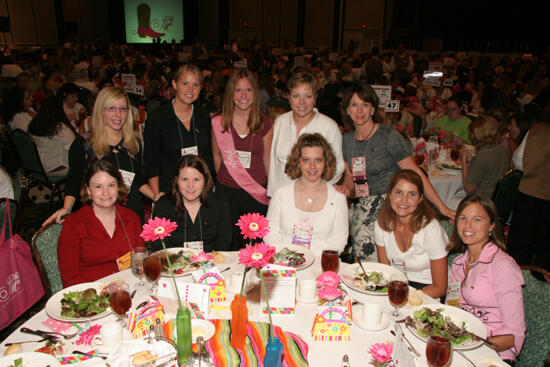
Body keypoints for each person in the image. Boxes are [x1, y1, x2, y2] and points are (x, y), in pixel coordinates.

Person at [341, 83, 453, 261]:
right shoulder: (347, 140)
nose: (359, 110)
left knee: (385, 266)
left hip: (391, 209)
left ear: (372, 109)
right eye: (354, 105)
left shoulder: (388, 137)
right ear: (347, 110)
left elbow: (415, 173)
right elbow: (349, 174)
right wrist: (345, 188)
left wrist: (441, 207)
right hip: (362, 210)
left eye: (365, 104)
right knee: (363, 266)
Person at [43, 87, 155, 225]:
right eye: (111, 108)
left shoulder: (134, 142)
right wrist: (67, 207)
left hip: (131, 213)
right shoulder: (84, 144)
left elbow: (137, 178)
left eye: (123, 109)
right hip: (98, 214)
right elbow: (74, 179)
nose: (118, 115)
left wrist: (155, 197)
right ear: (100, 111)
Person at [448, 194, 525, 364]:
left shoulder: (502, 266)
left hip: (492, 354)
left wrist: (472, 347)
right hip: (460, 345)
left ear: (491, 226)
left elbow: (514, 334)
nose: (467, 225)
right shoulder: (458, 263)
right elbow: (452, 308)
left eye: (477, 219)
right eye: (463, 218)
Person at [211, 68, 273, 250]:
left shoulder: (265, 123)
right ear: (231, 93)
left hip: (256, 195)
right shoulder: (219, 122)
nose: (243, 95)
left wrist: (269, 192)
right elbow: (216, 155)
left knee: (254, 248)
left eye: (248, 90)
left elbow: (267, 160)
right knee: (228, 243)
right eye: (238, 90)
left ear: (255, 93)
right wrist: (227, 178)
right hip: (226, 194)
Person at [58, 159, 145, 287]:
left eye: (111, 185)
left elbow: (140, 259)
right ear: (88, 190)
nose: (106, 192)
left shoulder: (131, 218)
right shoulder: (74, 224)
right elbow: (70, 277)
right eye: (98, 187)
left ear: (119, 187)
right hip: (92, 294)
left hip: (130, 287)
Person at [265, 133, 348, 258]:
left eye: (318, 160)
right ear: (298, 162)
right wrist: (287, 259)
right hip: (285, 265)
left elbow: (339, 240)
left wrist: (318, 263)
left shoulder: (338, 198)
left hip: (321, 267)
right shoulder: (281, 194)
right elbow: (270, 234)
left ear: (326, 162)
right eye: (306, 160)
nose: (312, 166)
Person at [268, 70, 344, 197]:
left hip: (315, 198)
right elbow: (273, 163)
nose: (301, 102)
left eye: (307, 96)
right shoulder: (280, 122)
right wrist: (272, 195)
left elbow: (339, 165)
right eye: (296, 96)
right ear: (288, 97)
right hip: (283, 197)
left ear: (315, 98)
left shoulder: (329, 127)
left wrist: (320, 186)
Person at [375, 170, 448, 298]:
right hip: (396, 287)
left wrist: (405, 296)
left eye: (412, 194)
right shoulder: (382, 222)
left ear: (420, 199)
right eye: (398, 192)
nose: (404, 200)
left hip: (427, 291)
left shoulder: (431, 229)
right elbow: (385, 271)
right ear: (390, 195)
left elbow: (440, 288)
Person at [144, 64, 214, 197]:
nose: (190, 89)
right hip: (169, 192)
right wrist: (157, 196)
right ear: (174, 84)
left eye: (195, 85)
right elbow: (151, 162)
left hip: (201, 192)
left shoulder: (204, 116)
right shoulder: (158, 118)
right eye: (185, 83)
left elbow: (210, 156)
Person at [151, 155, 232, 252]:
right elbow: (159, 248)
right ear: (176, 180)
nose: (190, 186)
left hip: (212, 264)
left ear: (205, 180)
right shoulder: (163, 206)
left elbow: (224, 245)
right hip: (175, 264)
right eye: (184, 179)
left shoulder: (219, 204)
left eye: (196, 179)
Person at [508, 121, 550, 270]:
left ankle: (515, 275)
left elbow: (518, 161)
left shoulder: (537, 129)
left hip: (529, 190)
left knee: (520, 242)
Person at [459, 116, 509, 198]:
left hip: (481, 200)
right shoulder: (502, 149)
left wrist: (463, 160)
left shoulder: (481, 157)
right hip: (498, 197)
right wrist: (472, 160)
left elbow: (468, 188)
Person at [27, 97, 76, 176]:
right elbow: (75, 146)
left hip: (38, 166)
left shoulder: (35, 125)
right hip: (56, 167)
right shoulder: (60, 128)